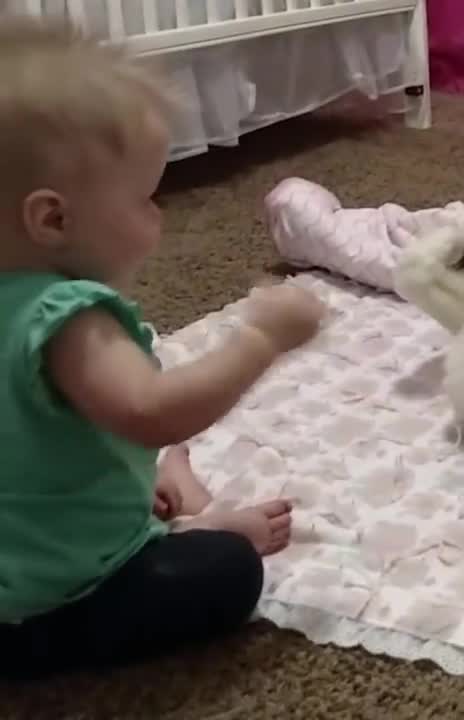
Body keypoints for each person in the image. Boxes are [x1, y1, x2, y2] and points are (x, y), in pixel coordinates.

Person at [0, 17, 327, 678]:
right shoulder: (66, 318)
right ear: (53, 219)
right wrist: (262, 338)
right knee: (229, 570)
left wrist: (129, 476)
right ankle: (184, 532)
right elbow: (153, 412)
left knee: (131, 468)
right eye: (147, 197)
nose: (161, 216)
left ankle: (146, 499)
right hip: (43, 608)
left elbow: (31, 440)